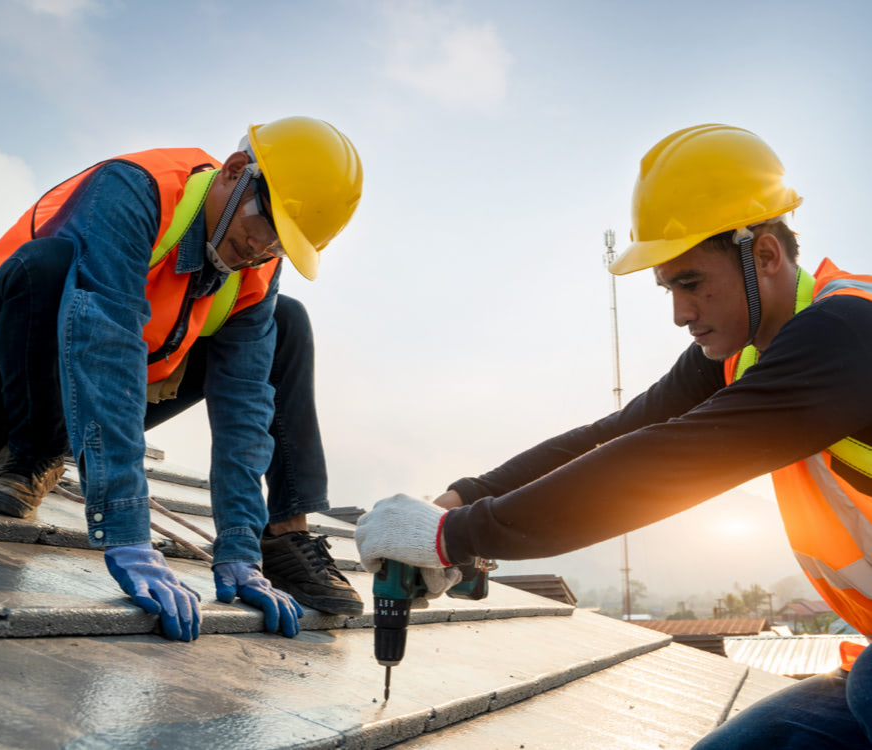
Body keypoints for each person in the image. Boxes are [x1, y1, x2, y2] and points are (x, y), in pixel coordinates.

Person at [356, 124, 872, 746]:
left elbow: (669, 461)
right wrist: (461, 499)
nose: (680, 314)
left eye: (690, 282)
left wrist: (453, 538)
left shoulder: (848, 330)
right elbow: (615, 435)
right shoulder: (741, 354)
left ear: (764, 255)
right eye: (668, 289)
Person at [0, 115, 365, 642]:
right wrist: (126, 530)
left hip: (90, 409)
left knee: (287, 320)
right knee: (49, 264)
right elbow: (104, 346)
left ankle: (282, 535)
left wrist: (240, 545)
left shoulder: (258, 267)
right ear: (236, 172)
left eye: (283, 245)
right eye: (267, 227)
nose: (263, 250)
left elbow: (245, 404)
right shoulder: (134, 190)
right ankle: (31, 457)